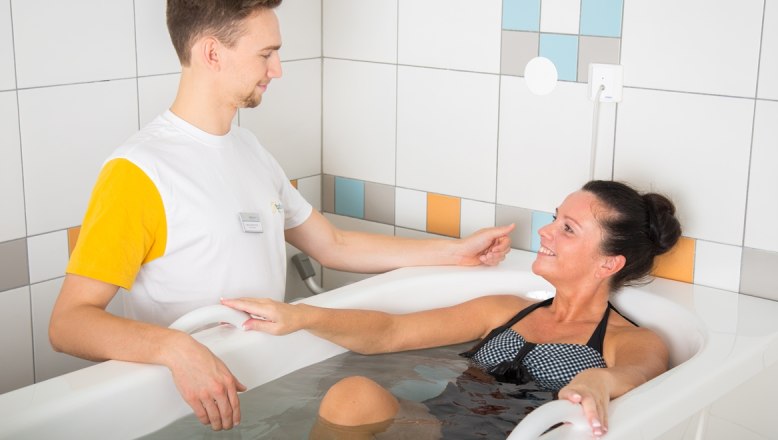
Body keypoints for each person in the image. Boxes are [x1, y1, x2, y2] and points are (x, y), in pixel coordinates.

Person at [47, 0, 514, 432]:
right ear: (212, 53)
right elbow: (69, 323)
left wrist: (456, 252)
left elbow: (333, 245)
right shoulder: (139, 173)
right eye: (265, 54)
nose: (278, 69)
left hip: (259, 386)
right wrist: (176, 348)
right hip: (184, 404)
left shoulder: (248, 148)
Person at [222, 180, 682, 438]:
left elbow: (637, 372)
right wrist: (300, 316)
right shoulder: (505, 310)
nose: (545, 232)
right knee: (353, 394)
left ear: (609, 262)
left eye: (567, 228)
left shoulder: (630, 340)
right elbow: (388, 334)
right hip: (440, 430)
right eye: (554, 217)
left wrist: (597, 380)